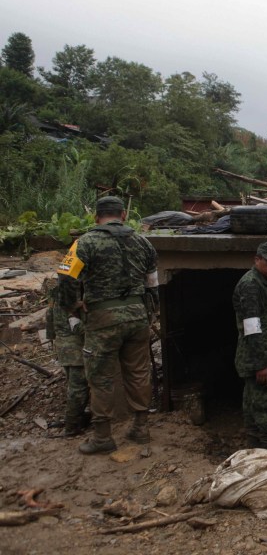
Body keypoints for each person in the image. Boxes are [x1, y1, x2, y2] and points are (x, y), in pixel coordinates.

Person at [57, 195, 158, 455]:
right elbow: (152, 284)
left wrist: (73, 305)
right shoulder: (144, 243)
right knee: (138, 373)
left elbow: (65, 277)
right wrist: (150, 312)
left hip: (103, 319)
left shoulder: (83, 243)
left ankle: (103, 436)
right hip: (137, 316)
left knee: (100, 376)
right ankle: (141, 427)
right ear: (123, 215)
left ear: (96, 217)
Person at [233, 241, 267, 452]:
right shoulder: (251, 285)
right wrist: (260, 364)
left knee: (254, 402)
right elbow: (252, 327)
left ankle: (255, 448)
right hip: (260, 358)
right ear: (257, 260)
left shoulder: (265, 282)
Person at [44, 277, 89, 437]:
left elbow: (49, 317)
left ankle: (77, 418)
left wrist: (52, 338)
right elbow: (79, 328)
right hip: (75, 350)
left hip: (64, 348)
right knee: (78, 389)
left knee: (74, 387)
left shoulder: (57, 295)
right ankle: (72, 426)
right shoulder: (73, 300)